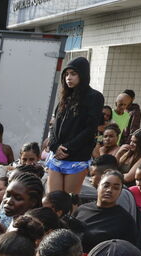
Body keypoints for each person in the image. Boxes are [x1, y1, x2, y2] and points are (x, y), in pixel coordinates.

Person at [46, 57, 103, 195]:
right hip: (57, 156)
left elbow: (90, 129)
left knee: (69, 201)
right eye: (66, 74)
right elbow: (54, 126)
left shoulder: (94, 97)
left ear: (82, 75)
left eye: (73, 74)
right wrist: (55, 146)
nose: (68, 78)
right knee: (52, 199)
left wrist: (67, 148)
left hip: (76, 157)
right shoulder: (65, 97)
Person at [75, 170, 141, 252]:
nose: (109, 190)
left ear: (120, 192)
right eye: (106, 186)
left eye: (115, 188)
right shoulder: (82, 209)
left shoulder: (125, 220)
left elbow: (128, 252)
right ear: (98, 186)